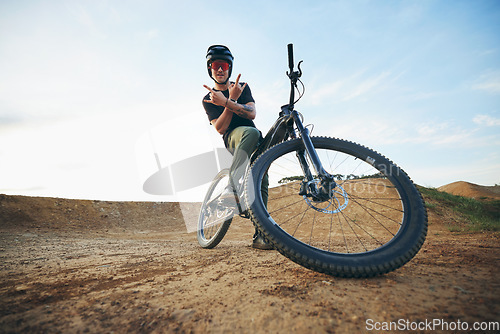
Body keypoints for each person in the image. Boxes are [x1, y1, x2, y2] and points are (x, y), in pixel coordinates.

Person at [202, 45, 272, 250]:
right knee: (250, 132)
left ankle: (262, 234)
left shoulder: (242, 87)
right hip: (235, 138)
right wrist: (229, 101)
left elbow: (251, 114)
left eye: (224, 65)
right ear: (210, 69)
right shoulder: (208, 99)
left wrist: (231, 99)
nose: (220, 69)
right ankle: (231, 188)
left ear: (230, 68)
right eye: (216, 65)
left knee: (262, 179)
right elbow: (220, 128)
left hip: (254, 138)